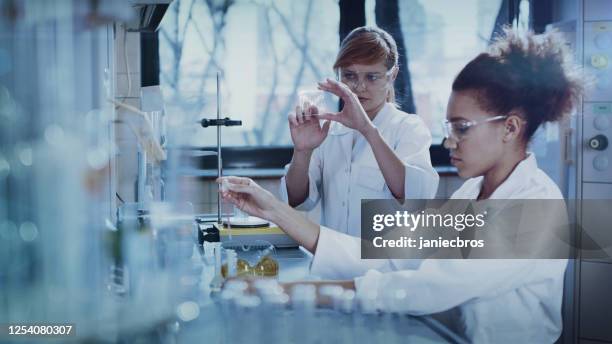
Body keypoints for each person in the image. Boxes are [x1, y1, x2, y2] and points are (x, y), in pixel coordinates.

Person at [220, 28, 582, 343]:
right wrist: (273, 207)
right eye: (449, 128)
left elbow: (426, 286)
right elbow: (398, 258)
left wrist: (287, 291)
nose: (450, 142)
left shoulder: (536, 208)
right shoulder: (472, 192)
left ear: (510, 128)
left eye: (462, 128)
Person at [281, 26, 438, 237]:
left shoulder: (408, 128)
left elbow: (414, 196)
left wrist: (367, 130)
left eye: (372, 77)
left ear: (393, 76)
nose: (359, 87)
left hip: (386, 266)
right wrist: (302, 151)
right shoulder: (328, 132)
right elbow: (297, 199)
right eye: (349, 75)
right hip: (333, 262)